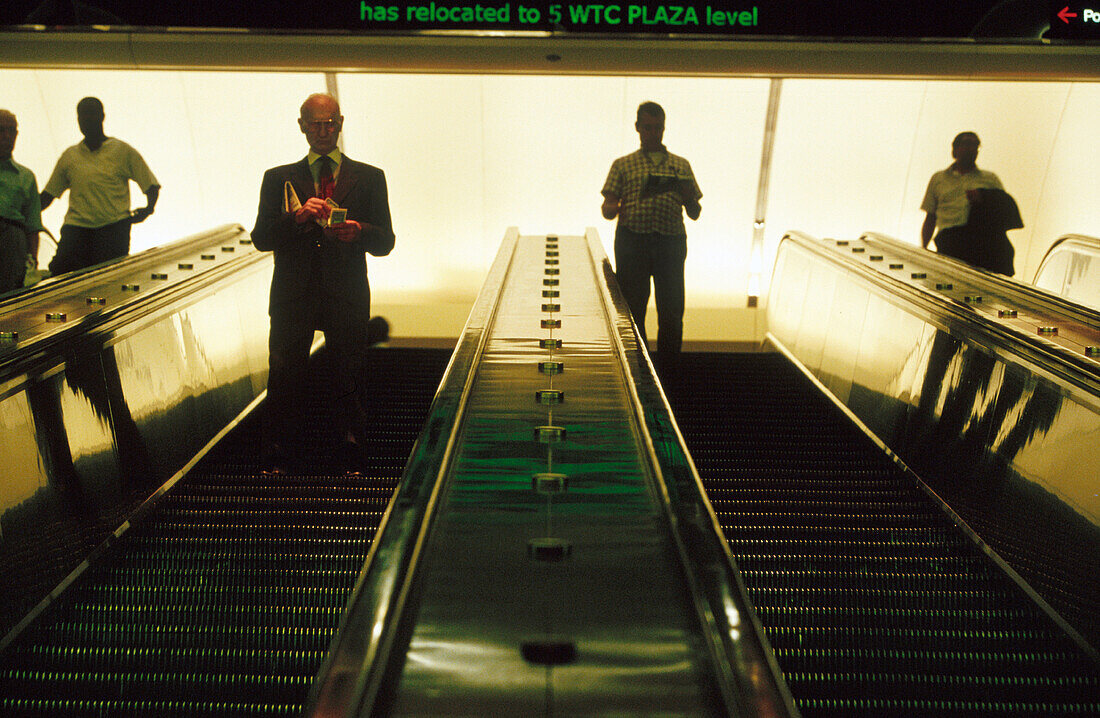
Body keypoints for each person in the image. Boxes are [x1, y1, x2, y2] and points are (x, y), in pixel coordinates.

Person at [251, 93, 395, 474]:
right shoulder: (277, 177)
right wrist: (297, 219)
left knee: (350, 374)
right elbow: (261, 238)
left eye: (329, 122)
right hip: (292, 293)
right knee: (283, 373)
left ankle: (351, 451)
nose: (322, 130)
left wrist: (360, 231)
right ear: (300, 126)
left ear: (341, 123)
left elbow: (386, 242)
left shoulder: (369, 177)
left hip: (345, 292)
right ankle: (278, 453)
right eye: (314, 123)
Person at [601, 101, 701, 376]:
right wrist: (621, 206)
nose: (653, 133)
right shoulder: (623, 165)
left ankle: (669, 369)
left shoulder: (681, 166)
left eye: (658, 128)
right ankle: (638, 369)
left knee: (671, 309)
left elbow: (695, 212)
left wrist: (687, 195)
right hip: (633, 241)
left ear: (664, 128)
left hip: (670, 242)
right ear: (637, 128)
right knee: (633, 309)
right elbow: (607, 209)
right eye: (648, 127)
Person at [41, 97, 159, 275]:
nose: (86, 120)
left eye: (91, 114)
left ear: (102, 116)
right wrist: (22, 216)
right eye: (82, 116)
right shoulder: (70, 156)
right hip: (77, 228)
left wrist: (148, 209)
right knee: (60, 273)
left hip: (112, 230)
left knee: (107, 281)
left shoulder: (122, 151)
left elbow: (151, 185)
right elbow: (48, 195)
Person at [920, 131, 1020, 275]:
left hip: (983, 242)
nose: (971, 148)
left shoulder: (990, 179)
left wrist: (984, 197)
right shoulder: (939, 179)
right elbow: (931, 215)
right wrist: (924, 248)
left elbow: (1004, 209)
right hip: (951, 241)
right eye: (966, 143)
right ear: (954, 149)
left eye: (975, 145)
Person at [0, 109, 44, 293]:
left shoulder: (26, 176)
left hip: (12, 241)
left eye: (12, 131)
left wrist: (32, 263)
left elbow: (33, 224)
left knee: (8, 297)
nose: (7, 136)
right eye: (1, 130)